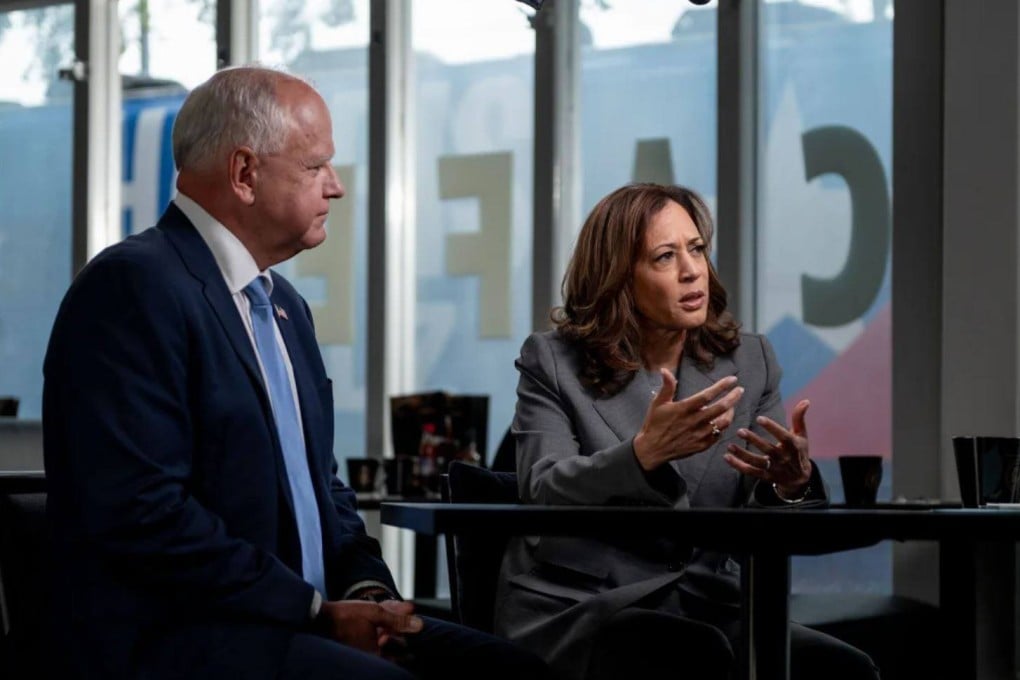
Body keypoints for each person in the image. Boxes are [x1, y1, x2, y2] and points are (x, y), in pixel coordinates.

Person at [43, 65, 554, 680]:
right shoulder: (131, 288)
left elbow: (321, 485)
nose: (336, 187)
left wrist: (365, 592)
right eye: (316, 166)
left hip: (296, 621)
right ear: (244, 173)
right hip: (187, 635)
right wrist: (315, 613)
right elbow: (144, 513)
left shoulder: (283, 305)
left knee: (516, 671)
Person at [493, 183, 880, 680]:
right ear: (618, 278)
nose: (692, 270)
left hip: (708, 600)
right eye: (664, 257)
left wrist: (789, 485)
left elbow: (761, 511)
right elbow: (542, 488)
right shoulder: (552, 360)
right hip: (584, 605)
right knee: (694, 654)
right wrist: (640, 455)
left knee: (844, 669)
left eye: (696, 249)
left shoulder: (751, 360)